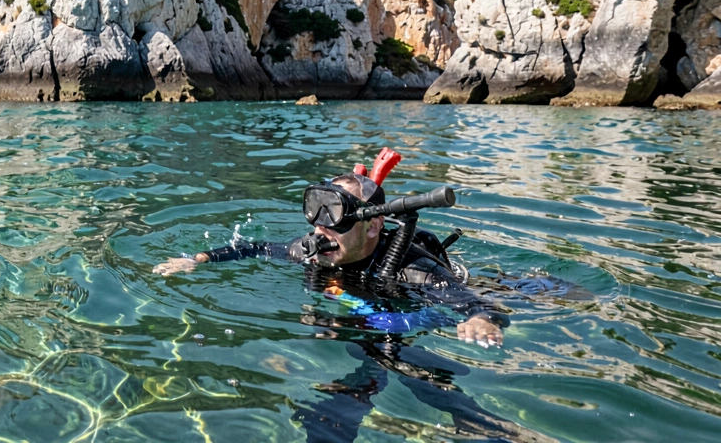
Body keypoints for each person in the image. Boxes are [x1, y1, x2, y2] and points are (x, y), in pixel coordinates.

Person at [153, 149, 518, 441]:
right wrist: (199, 259)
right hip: (359, 317)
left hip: (404, 314)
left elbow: (475, 303)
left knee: (392, 356)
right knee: (361, 349)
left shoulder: (413, 269)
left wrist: (481, 319)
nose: (321, 228)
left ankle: (478, 422)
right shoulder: (311, 249)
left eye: (336, 215)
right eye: (316, 212)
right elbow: (259, 248)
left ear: (374, 224)